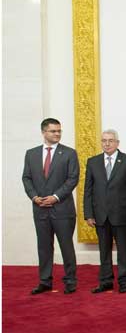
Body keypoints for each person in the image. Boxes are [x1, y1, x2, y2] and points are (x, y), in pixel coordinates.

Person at [22, 118, 80, 295]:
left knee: (66, 246)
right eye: (53, 131)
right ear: (43, 132)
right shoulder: (31, 154)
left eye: (59, 131)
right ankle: (45, 281)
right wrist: (34, 197)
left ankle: (70, 281)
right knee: (44, 247)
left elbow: (73, 179)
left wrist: (55, 197)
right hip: (40, 209)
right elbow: (26, 178)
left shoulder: (69, 153)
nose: (57, 134)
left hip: (62, 209)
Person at [83, 129, 126, 294]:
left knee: (123, 249)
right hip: (100, 215)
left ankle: (124, 280)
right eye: (104, 141)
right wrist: (88, 213)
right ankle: (105, 281)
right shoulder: (93, 162)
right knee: (103, 250)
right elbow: (88, 190)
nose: (107, 144)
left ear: (117, 143)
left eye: (110, 140)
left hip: (122, 215)